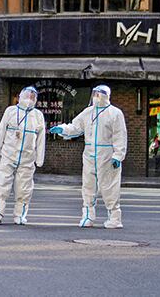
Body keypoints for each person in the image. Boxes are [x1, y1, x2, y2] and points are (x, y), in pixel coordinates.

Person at [49, 84, 127, 229]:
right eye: (95, 93)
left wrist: (118, 155)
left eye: (100, 94)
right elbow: (76, 127)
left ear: (106, 95)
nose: (97, 96)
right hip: (90, 153)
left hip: (107, 154)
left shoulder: (115, 113)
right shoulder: (88, 112)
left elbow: (120, 135)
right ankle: (87, 216)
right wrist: (63, 129)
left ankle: (115, 217)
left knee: (109, 186)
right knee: (88, 185)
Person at [0, 86, 47, 225]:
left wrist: (39, 158)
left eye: (33, 96)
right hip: (8, 154)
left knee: (24, 188)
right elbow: (1, 130)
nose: (30, 98)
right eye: (27, 95)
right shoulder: (11, 111)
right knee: (1, 183)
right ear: (20, 96)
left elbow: (41, 138)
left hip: (27, 157)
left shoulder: (38, 115)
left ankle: (20, 215)